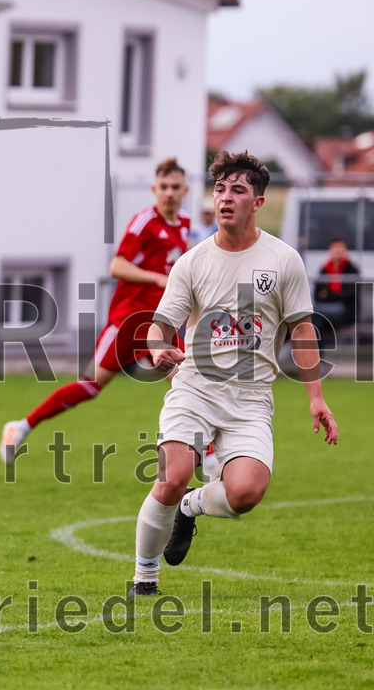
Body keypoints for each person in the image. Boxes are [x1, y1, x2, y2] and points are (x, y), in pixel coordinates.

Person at [128, 151, 338, 597]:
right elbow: (158, 329)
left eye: (237, 190)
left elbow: (302, 329)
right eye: (220, 189)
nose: (225, 198)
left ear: (257, 202)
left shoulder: (284, 260)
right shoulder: (192, 262)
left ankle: (192, 507)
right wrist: (159, 348)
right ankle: (144, 576)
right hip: (195, 388)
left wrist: (316, 398)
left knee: (245, 494)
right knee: (172, 475)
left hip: (251, 397)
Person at [0, 158, 191, 463]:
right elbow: (116, 265)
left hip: (158, 323)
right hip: (127, 321)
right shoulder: (144, 222)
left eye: (175, 187)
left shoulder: (184, 223)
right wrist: (154, 277)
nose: (169, 193)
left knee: (188, 381)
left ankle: (208, 456)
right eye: (163, 187)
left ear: (185, 190)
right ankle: (22, 426)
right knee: (90, 386)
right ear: (155, 189)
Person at [311, 238, 359, 350]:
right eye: (335, 248)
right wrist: (334, 295)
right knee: (315, 321)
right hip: (327, 311)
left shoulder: (351, 269)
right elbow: (318, 296)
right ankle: (316, 356)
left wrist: (329, 294)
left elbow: (349, 295)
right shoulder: (325, 269)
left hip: (345, 311)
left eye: (341, 248)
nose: (338, 252)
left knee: (313, 316)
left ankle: (316, 356)